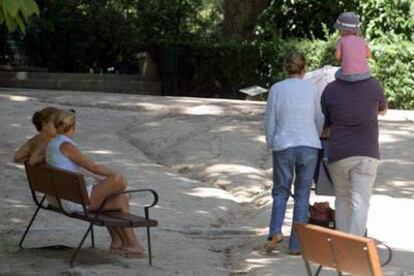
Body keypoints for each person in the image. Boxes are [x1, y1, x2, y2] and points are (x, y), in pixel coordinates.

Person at [45, 110, 145, 258]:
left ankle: (122, 243)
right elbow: (94, 167)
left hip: (61, 197)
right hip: (72, 201)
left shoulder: (52, 144)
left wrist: (103, 181)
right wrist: (117, 177)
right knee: (117, 181)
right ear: (72, 126)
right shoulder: (66, 146)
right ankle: (130, 244)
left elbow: (77, 170)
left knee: (120, 199)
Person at [264, 52, 323, 255]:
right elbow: (318, 118)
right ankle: (296, 244)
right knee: (302, 193)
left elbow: (270, 118)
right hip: (308, 145)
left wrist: (271, 141)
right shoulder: (312, 89)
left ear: (285, 68)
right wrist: (314, 136)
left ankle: (275, 233)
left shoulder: (277, 89)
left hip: (284, 144)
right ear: (304, 68)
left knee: (280, 191)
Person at [321, 68, 388, 236]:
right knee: (361, 202)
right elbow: (383, 110)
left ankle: (342, 245)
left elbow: (327, 122)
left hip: (339, 152)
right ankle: (355, 246)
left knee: (342, 199)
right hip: (367, 153)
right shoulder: (374, 85)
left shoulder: (330, 89)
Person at [334, 12, 372, 82]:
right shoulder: (362, 40)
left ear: (342, 30)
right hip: (366, 74)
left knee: (336, 74)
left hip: (348, 76)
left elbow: (337, 57)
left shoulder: (340, 41)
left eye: (339, 30)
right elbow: (369, 55)